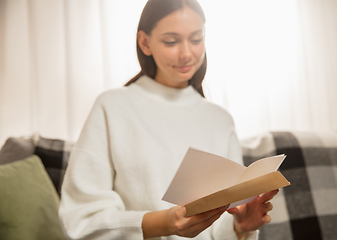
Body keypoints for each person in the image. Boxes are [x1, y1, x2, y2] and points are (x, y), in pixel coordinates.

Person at [58, 0, 279, 239]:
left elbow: (218, 227)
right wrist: (163, 224)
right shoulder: (112, 107)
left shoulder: (220, 120)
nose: (186, 53)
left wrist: (240, 227)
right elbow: (81, 219)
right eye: (171, 41)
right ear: (145, 42)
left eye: (196, 39)